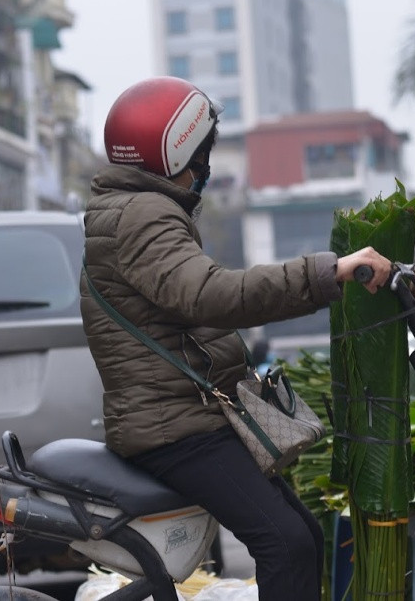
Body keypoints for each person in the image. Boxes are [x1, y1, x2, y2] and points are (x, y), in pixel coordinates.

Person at [79, 76, 392, 601]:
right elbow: (211, 295)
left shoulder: (130, 209)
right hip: (175, 429)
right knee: (286, 545)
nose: (205, 167)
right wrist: (326, 273)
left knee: (304, 536)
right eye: (202, 153)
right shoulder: (143, 215)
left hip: (188, 418)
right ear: (178, 154)